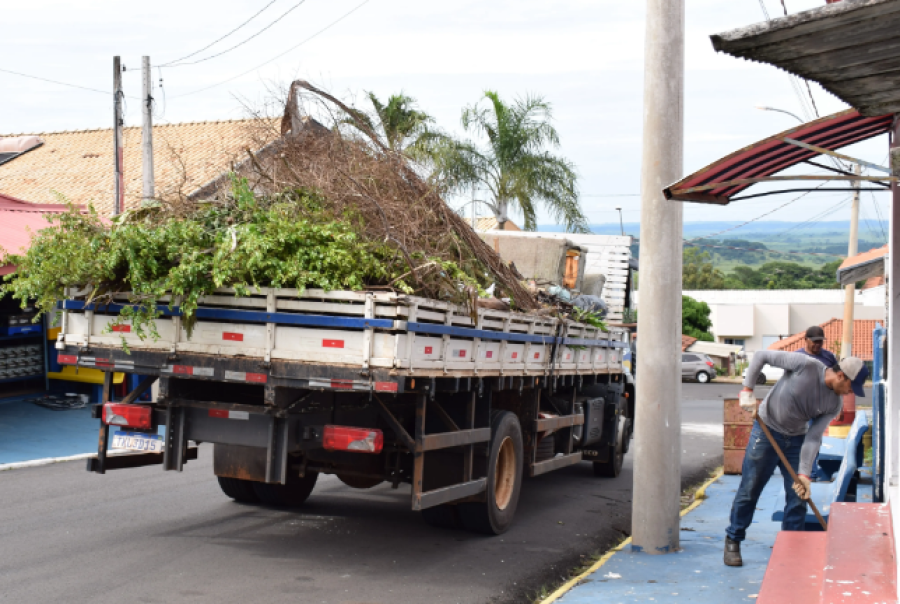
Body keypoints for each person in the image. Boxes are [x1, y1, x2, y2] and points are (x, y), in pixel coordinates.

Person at [723, 351, 868, 567]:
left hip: (797, 440)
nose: (849, 393)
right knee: (750, 488)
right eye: (850, 387)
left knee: (798, 496)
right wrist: (747, 389)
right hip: (766, 431)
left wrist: (804, 474)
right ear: (841, 376)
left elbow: (813, 438)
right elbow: (761, 356)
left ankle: (791, 547)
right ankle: (733, 538)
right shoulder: (805, 365)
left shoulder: (833, 404)